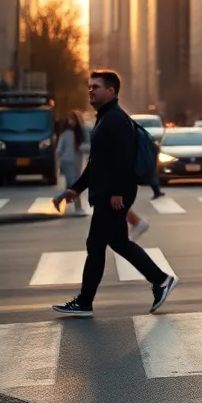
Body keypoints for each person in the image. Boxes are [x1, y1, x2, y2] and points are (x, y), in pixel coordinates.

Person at [53, 70, 178, 316]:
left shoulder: (116, 120)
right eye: (89, 87)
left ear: (111, 91)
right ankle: (161, 280)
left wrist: (118, 192)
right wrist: (74, 189)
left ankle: (85, 301)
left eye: (96, 87)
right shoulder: (105, 119)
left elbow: (123, 159)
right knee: (118, 242)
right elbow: (96, 164)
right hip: (106, 192)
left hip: (113, 195)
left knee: (96, 246)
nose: (91, 90)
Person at [56, 111, 89, 216]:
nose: (71, 122)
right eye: (70, 119)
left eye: (73, 119)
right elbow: (59, 150)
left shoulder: (81, 134)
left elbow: (89, 147)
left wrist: (82, 147)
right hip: (66, 162)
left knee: (71, 186)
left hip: (77, 163)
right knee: (75, 186)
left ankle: (60, 201)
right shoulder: (65, 134)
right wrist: (58, 164)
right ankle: (77, 208)